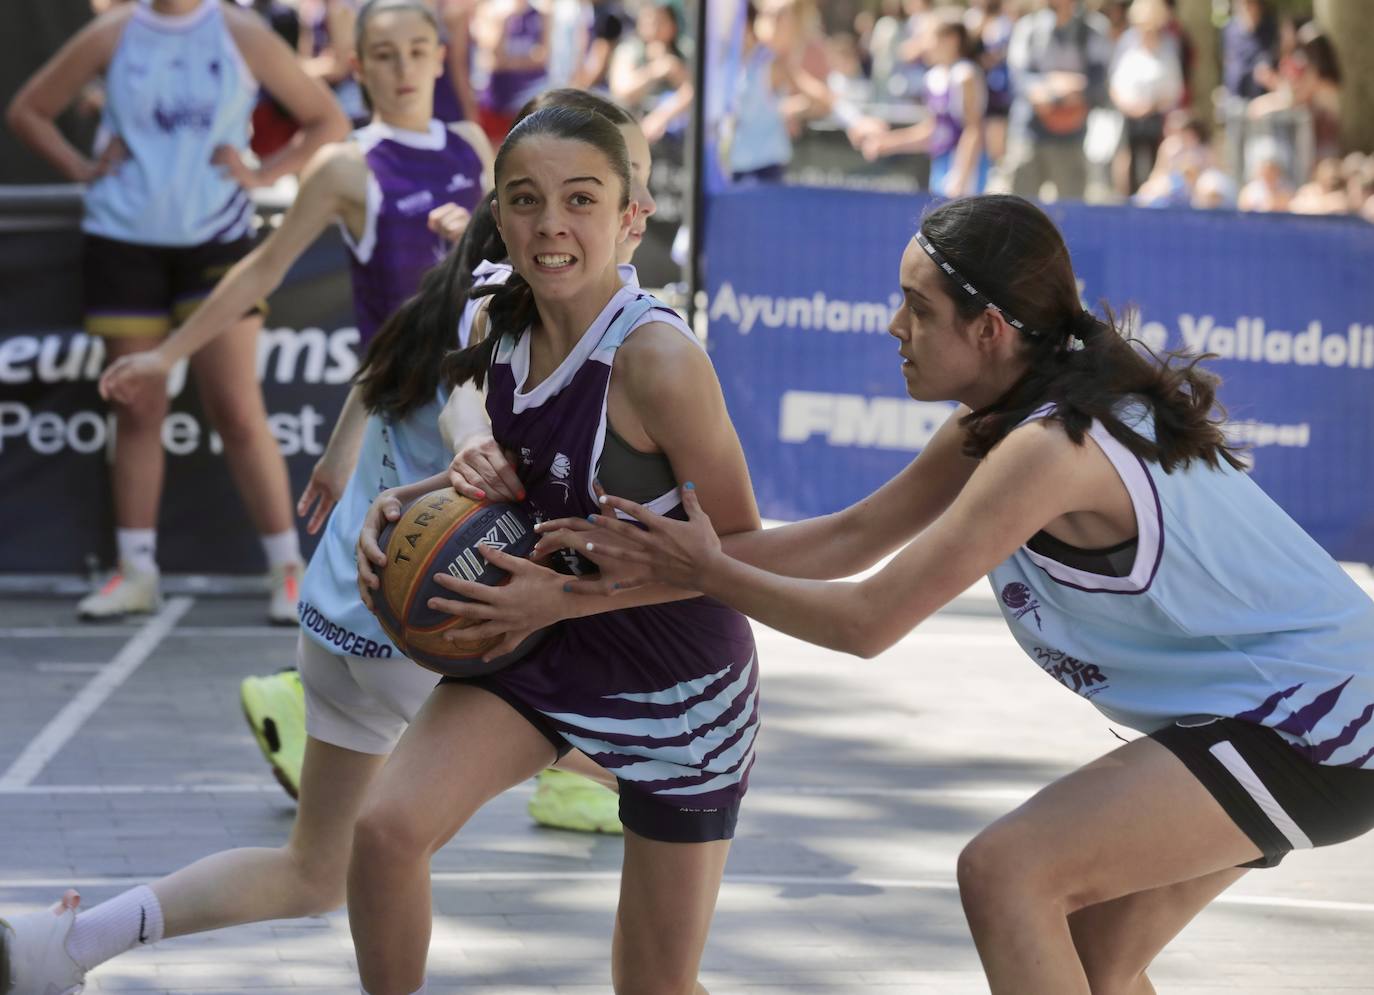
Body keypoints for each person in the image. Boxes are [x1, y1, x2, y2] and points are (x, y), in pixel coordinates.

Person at [536, 194, 1374, 994]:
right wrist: (628, 572)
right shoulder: (1008, 416)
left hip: (1319, 724)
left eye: (917, 308)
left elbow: (868, 621)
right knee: (1096, 963)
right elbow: (846, 539)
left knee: (1009, 872)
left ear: (990, 329)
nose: (894, 326)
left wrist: (707, 572)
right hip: (1282, 715)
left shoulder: (1050, 447)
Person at [346, 104, 761, 995]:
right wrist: (412, 500)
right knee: (384, 832)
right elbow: (523, 475)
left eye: (581, 199)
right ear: (499, 214)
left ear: (631, 217)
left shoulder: (657, 361)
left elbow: (742, 549)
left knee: (652, 985)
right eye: (526, 201)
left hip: (674, 678)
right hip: (540, 640)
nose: (552, 224)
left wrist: (560, 599)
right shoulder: (498, 318)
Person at [97, 0, 491, 801]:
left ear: (440, 56)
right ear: (358, 65)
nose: (407, 67)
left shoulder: (475, 148)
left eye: (421, 49)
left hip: (478, 408)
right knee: (411, 612)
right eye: (385, 53)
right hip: (402, 418)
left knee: (462, 610)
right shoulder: (349, 166)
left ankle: (307, 711)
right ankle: (320, 720)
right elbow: (259, 273)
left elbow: (497, 293)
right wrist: (168, 354)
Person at [5, 0, 350, 623]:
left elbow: (326, 120)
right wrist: (84, 171)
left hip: (215, 242)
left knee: (237, 407)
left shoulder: (240, 30)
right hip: (122, 239)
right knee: (137, 405)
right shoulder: (113, 32)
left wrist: (264, 172)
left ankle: (288, 571)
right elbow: (27, 110)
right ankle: (136, 572)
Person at [860, 13, 990, 198]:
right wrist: (888, 143)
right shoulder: (933, 77)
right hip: (941, 165)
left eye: (927, 37)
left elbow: (973, 129)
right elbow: (934, 130)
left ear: (951, 40)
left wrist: (960, 177)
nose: (921, 45)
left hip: (966, 170)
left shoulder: (964, 75)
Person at [1003, 0, 1113, 201]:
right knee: (1019, 207)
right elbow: (1019, 77)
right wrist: (1050, 87)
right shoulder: (1028, 27)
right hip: (1029, 131)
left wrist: (1075, 89)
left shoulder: (1094, 29)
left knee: (1070, 206)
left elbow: (1099, 80)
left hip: (1072, 134)